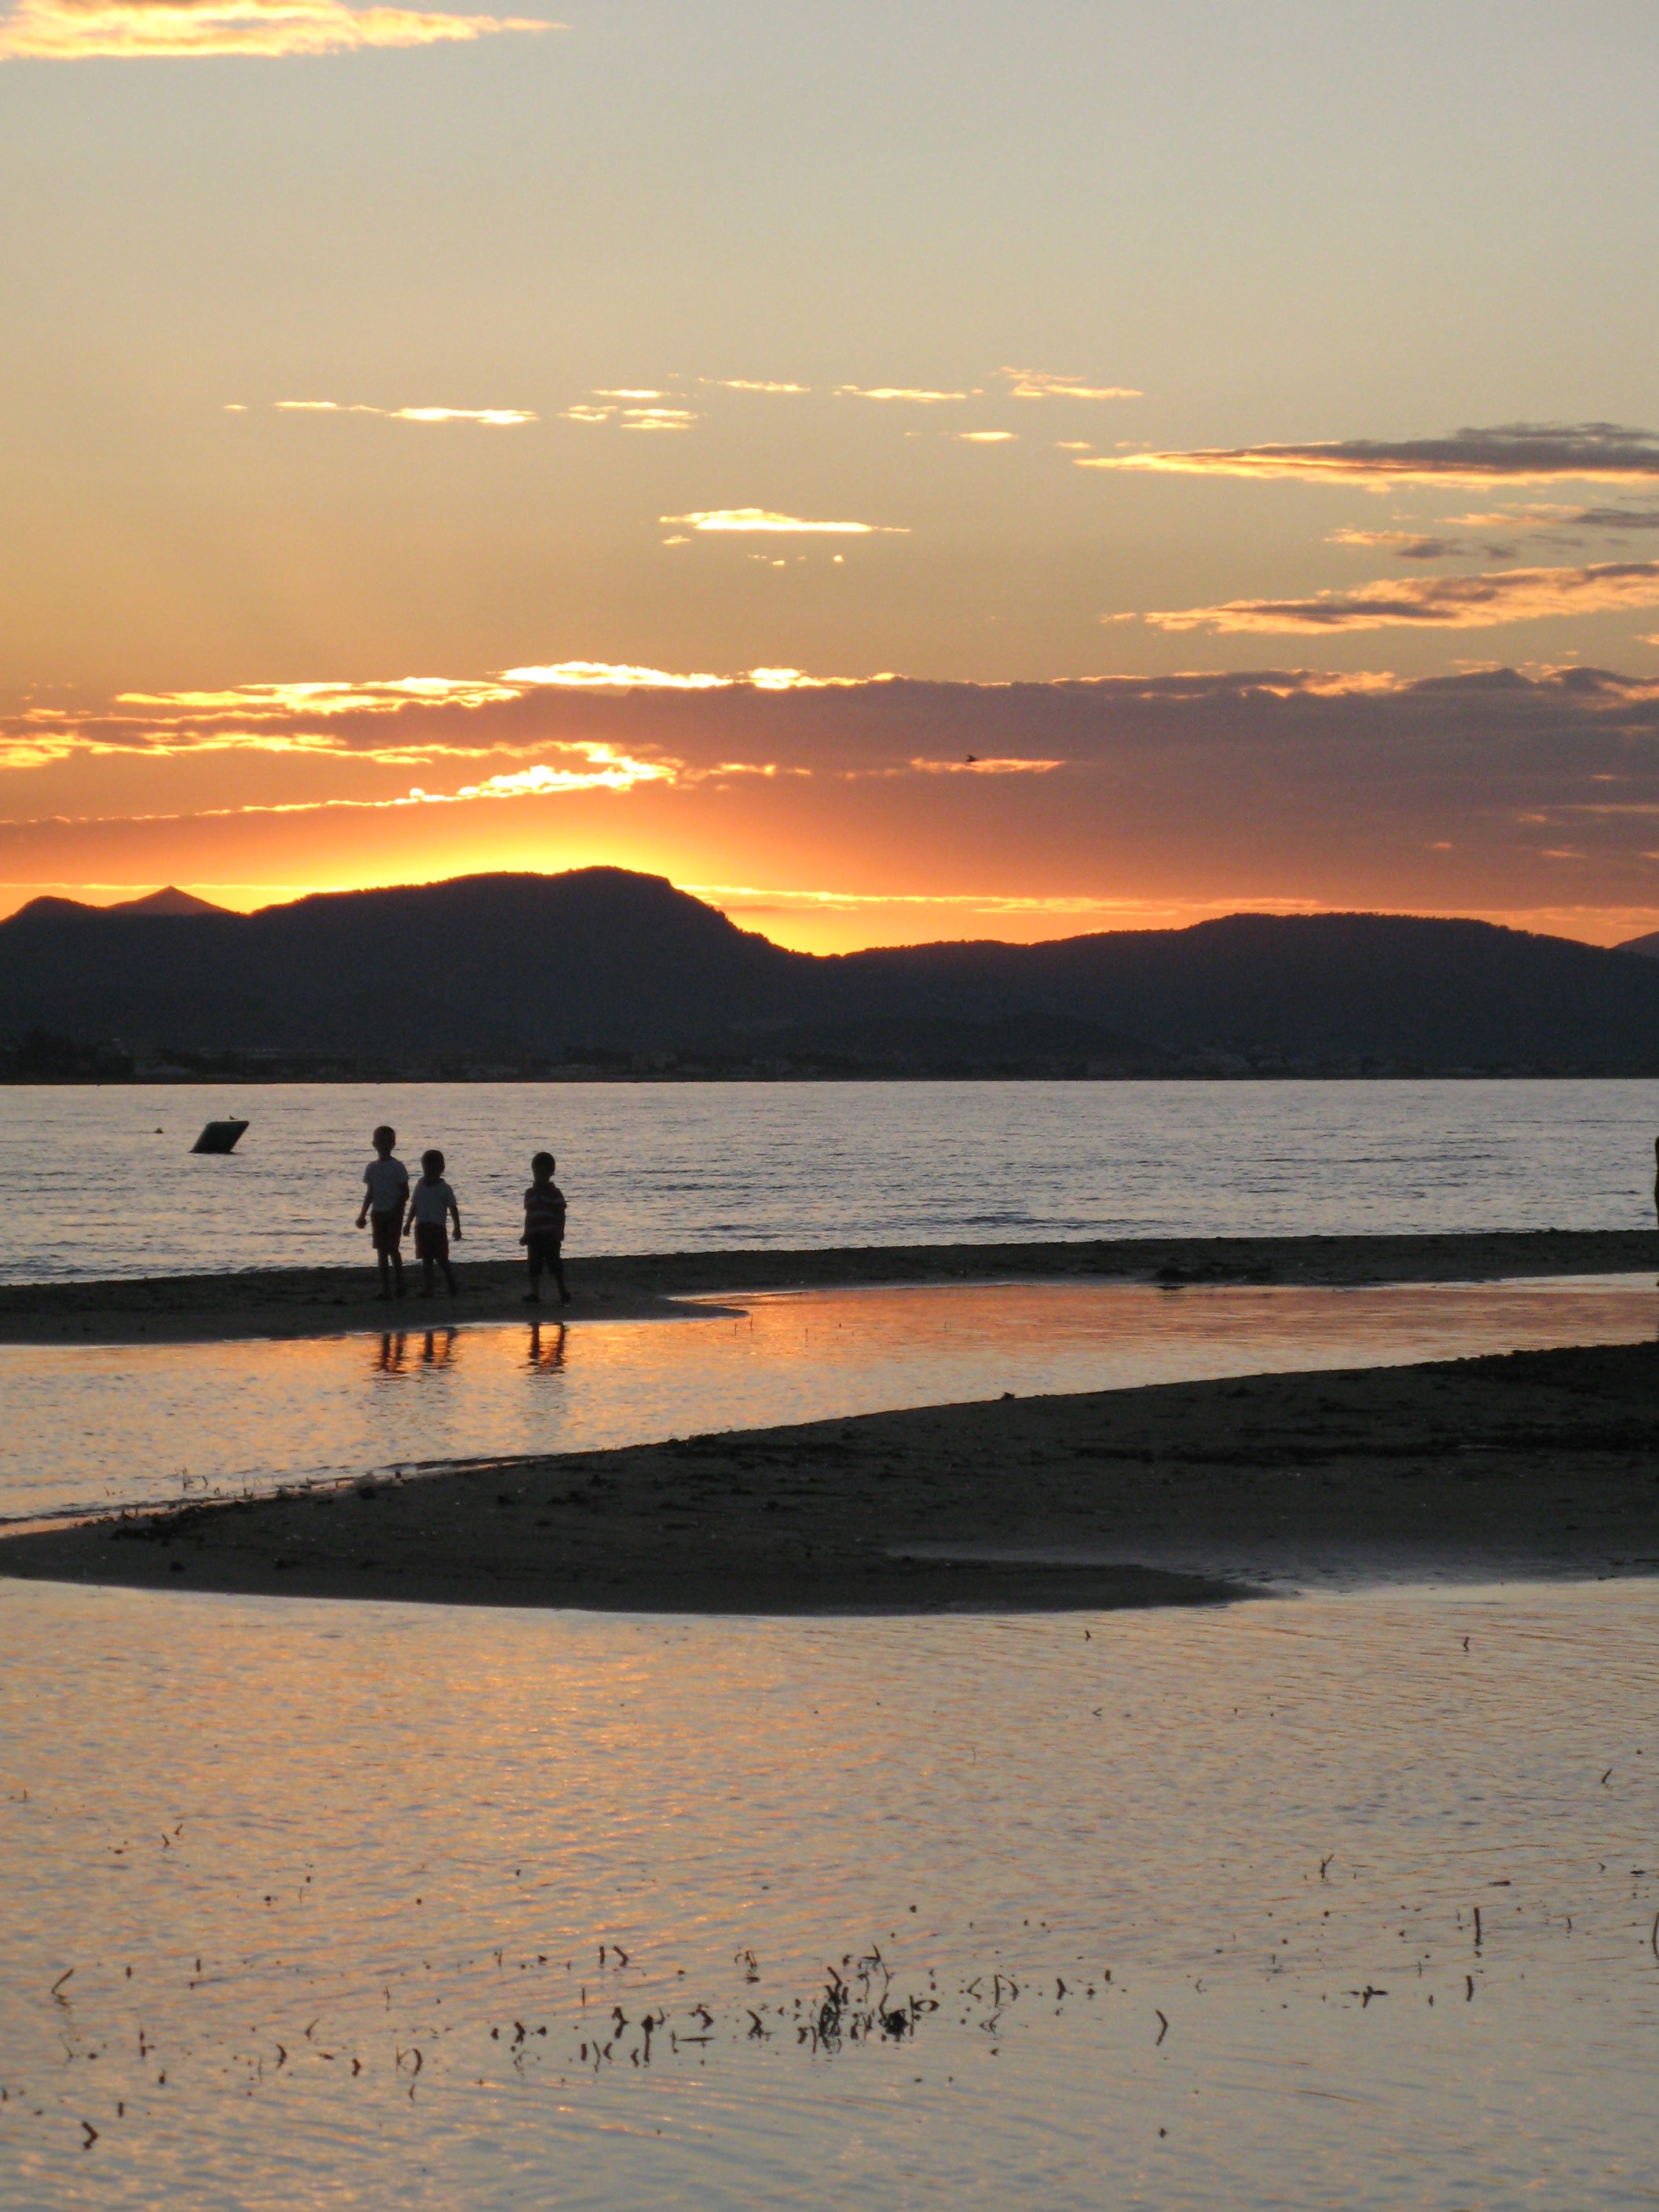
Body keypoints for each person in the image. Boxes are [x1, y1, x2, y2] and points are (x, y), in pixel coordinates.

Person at [355, 1125, 409, 1298]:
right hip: (377, 1213)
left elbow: (405, 1192)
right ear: (374, 1144)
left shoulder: (398, 1166)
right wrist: (363, 1214)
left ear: (393, 1144)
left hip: (393, 1213)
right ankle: (385, 1289)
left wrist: (397, 1209)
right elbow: (370, 1193)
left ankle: (400, 1284)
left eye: (387, 1142)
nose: (384, 1145)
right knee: (381, 1251)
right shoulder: (371, 1168)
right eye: (380, 1142)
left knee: (393, 1249)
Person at [405, 1148, 462, 1296]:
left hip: (437, 1228)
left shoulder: (445, 1189)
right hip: (422, 1227)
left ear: (441, 1169)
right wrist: (408, 1223)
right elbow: (414, 1206)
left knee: (442, 1259)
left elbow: (453, 1208)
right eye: (427, 1170)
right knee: (426, 1259)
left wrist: (457, 1227)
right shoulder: (420, 1186)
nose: (429, 1174)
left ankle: (451, 1284)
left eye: (433, 1170)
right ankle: (428, 1288)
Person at [521, 1150, 570, 1304]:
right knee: (534, 1265)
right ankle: (535, 1293)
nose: (539, 1176)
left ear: (550, 1173)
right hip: (534, 1235)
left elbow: (561, 1213)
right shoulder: (530, 1193)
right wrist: (526, 1233)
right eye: (536, 1172)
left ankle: (562, 1291)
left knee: (555, 1263)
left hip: (550, 1234)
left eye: (542, 1173)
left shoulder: (555, 1193)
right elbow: (529, 1215)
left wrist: (560, 1231)